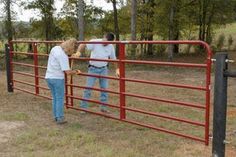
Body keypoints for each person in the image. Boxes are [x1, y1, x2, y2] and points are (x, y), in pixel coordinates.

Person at [73, 32, 119, 113]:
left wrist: (117, 69)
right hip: (93, 69)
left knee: (104, 89)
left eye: (107, 43)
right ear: (103, 37)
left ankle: (103, 107)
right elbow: (83, 44)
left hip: (104, 69)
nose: (105, 44)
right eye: (105, 42)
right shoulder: (95, 41)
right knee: (88, 88)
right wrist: (78, 52)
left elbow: (114, 58)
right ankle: (83, 108)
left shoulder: (111, 46)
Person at [45, 39, 80, 124]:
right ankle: (60, 118)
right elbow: (67, 72)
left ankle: (56, 116)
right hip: (57, 79)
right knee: (59, 98)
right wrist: (76, 72)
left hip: (49, 77)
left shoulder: (55, 48)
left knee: (55, 98)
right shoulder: (63, 56)